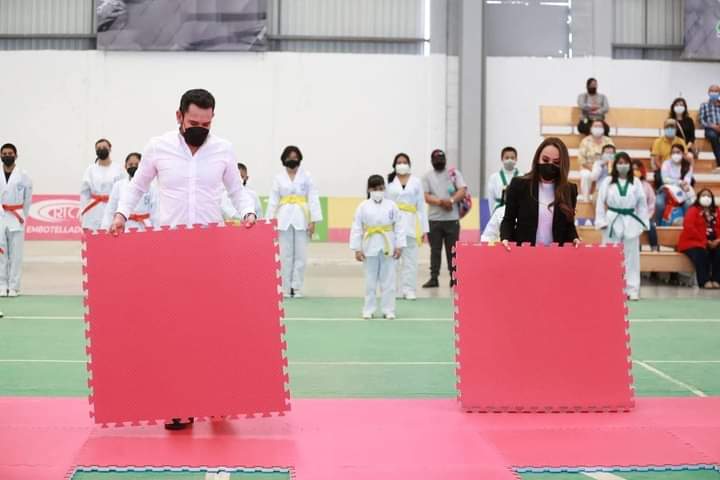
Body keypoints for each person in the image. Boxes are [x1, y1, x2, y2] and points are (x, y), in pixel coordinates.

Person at [109, 89, 257, 430]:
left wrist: (247, 211)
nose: (199, 129)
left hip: (211, 250)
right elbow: (136, 186)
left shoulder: (223, 149)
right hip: (170, 251)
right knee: (175, 332)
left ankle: (218, 397)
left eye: (206, 124)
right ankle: (180, 404)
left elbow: (237, 190)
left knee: (214, 330)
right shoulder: (157, 147)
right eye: (193, 122)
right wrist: (121, 215)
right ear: (179, 116)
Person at [500, 137, 580, 249]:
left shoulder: (569, 189)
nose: (550, 165)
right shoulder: (519, 184)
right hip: (524, 252)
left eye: (556, 162)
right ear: (537, 159)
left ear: (562, 165)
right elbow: (508, 220)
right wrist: (505, 238)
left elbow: (569, 225)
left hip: (557, 255)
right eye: (545, 160)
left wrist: (574, 238)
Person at [266, 146, 322, 299]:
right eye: (289, 157)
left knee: (301, 256)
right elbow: (273, 201)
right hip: (283, 219)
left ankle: (296, 288)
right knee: (285, 255)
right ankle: (284, 288)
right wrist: (269, 221)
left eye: (295, 157)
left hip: (302, 218)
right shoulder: (278, 178)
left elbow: (313, 198)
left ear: (299, 158)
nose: (293, 159)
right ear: (284, 159)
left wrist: (313, 220)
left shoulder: (307, 176)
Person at [350, 175, 405, 319]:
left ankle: (388, 310)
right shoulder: (363, 206)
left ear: (384, 189)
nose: (378, 191)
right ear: (369, 189)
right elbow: (356, 227)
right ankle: (368, 309)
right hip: (369, 245)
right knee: (370, 281)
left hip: (388, 244)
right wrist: (357, 248)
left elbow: (399, 226)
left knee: (389, 280)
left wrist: (399, 246)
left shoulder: (392, 205)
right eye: (375, 189)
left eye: (381, 188)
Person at [595, 152, 649, 301]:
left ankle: (632, 289)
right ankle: (609, 287)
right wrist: (601, 221)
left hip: (631, 219)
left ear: (630, 165)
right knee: (609, 256)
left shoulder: (636, 182)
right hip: (612, 219)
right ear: (615, 165)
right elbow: (600, 201)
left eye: (625, 162)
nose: (622, 165)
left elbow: (642, 204)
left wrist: (643, 223)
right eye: (620, 162)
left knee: (632, 257)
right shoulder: (607, 181)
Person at [422, 149, 467, 288]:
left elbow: (462, 190)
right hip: (434, 220)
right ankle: (433, 278)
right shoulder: (427, 177)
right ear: (431, 161)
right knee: (435, 250)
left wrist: (451, 201)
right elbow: (425, 196)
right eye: (436, 159)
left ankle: (454, 278)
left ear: (445, 160)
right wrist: (442, 202)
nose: (439, 161)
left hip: (452, 220)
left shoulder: (454, 174)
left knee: (452, 250)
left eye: (441, 158)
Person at [386, 153, 428, 300]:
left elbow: (421, 205)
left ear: (409, 164)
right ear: (394, 165)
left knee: (411, 260)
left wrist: (424, 229)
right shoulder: (389, 182)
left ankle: (409, 289)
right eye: (399, 162)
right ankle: (394, 289)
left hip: (412, 223)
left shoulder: (416, 182)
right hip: (393, 224)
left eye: (405, 162)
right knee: (393, 260)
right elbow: (385, 205)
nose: (402, 164)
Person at [0, 143, 32, 297]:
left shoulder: (23, 175)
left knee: (16, 254)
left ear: (16, 155)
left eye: (10, 153)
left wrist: (22, 214)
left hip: (17, 215)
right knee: (1, 253)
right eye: (4, 153)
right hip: (0, 215)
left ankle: (14, 286)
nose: (7, 156)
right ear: (1, 156)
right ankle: (2, 284)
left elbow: (28, 199)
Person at [101, 153, 157, 231]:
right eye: (130, 164)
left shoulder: (151, 187)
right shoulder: (118, 185)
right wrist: (105, 228)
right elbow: (111, 209)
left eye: (137, 164)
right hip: (124, 225)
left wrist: (157, 230)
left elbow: (155, 212)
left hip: (144, 227)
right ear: (125, 166)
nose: (133, 166)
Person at [678, 188, 720, 289]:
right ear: (699, 198)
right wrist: (705, 241)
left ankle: (716, 280)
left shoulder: (717, 211)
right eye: (703, 195)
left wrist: (718, 240)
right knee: (701, 252)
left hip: (715, 241)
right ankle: (704, 281)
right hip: (693, 242)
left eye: (709, 196)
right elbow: (689, 227)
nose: (706, 198)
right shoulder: (693, 210)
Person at [80, 138, 125, 230]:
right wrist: (83, 210)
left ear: (110, 148)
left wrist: (121, 212)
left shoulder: (118, 169)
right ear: (96, 151)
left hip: (112, 207)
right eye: (98, 148)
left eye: (104, 147)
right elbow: (85, 192)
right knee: (93, 237)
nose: (101, 149)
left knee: (111, 236)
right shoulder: (90, 169)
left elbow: (123, 191)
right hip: (94, 208)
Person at [656, 143, 694, 226]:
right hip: (667, 190)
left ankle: (687, 226)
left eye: (678, 152)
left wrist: (684, 184)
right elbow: (665, 179)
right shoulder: (666, 164)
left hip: (682, 190)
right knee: (659, 202)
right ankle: (658, 225)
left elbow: (687, 180)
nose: (675, 154)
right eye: (673, 152)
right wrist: (679, 182)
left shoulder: (688, 166)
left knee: (689, 203)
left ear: (683, 154)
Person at [577, 120, 614, 201]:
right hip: (588, 168)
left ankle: (606, 199)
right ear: (591, 128)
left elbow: (612, 156)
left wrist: (603, 167)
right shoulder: (585, 141)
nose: (597, 128)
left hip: (605, 167)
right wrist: (593, 168)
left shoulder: (608, 141)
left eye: (600, 126)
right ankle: (586, 198)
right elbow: (581, 159)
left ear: (604, 129)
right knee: (585, 175)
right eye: (595, 126)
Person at [651, 119, 687, 189]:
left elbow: (684, 157)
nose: (670, 128)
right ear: (664, 128)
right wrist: (665, 170)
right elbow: (656, 160)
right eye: (667, 127)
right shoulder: (658, 142)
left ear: (676, 129)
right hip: (663, 168)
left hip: (678, 167)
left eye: (672, 127)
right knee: (658, 178)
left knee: (691, 179)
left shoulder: (681, 141)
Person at [632, 159, 658, 251]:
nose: (635, 172)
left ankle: (654, 249)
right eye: (633, 169)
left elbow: (652, 202)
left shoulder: (647, 186)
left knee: (651, 226)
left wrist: (648, 216)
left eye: (637, 169)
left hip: (645, 215)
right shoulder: (626, 185)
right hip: (631, 215)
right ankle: (636, 250)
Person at [486, 147, 519, 212]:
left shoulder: (522, 176)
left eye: (512, 158)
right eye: (507, 158)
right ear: (502, 159)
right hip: (499, 209)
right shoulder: (494, 177)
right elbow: (491, 198)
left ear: (516, 159)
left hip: (517, 209)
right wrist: (492, 214)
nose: (510, 160)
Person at [699, 84, 720, 168]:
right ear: (708, 92)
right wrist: (713, 126)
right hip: (710, 128)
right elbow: (701, 121)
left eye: (716, 91)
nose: (714, 93)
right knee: (713, 136)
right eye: (712, 91)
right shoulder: (704, 105)